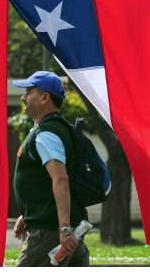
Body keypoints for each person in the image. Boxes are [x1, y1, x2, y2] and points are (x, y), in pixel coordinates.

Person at [11, 71, 90, 267]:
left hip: (51, 231)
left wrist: (64, 229)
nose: (23, 97)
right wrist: (27, 215)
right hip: (60, 227)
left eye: (29, 92)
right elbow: (45, 181)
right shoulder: (58, 128)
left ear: (45, 97)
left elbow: (60, 179)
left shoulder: (47, 134)